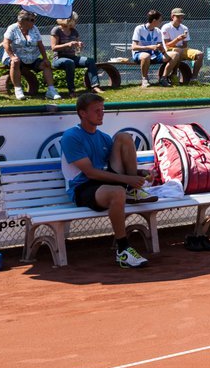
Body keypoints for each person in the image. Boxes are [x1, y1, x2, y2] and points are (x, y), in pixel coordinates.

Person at [60, 92, 161, 268]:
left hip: (104, 182)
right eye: (96, 110)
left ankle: (133, 191)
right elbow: (91, 173)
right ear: (83, 113)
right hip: (83, 188)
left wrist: (139, 173)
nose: (101, 114)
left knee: (124, 137)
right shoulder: (71, 136)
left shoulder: (104, 138)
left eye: (102, 110)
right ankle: (123, 250)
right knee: (117, 192)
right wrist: (128, 179)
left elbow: (112, 167)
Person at [2, 9, 61, 101]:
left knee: (46, 64)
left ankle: (51, 91)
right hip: (16, 57)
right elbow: (6, 43)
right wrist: (12, 57)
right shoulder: (12, 28)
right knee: (15, 63)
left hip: (32, 58)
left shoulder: (34, 28)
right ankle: (18, 90)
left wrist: (45, 58)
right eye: (32, 20)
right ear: (23, 21)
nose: (34, 22)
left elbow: (40, 45)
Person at [50, 12, 101, 94]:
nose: (76, 23)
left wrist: (79, 45)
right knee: (70, 62)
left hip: (72, 57)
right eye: (75, 21)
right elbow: (53, 48)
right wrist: (68, 44)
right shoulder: (56, 30)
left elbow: (77, 47)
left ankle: (95, 86)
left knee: (90, 61)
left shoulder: (74, 31)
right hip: (59, 59)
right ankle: (72, 90)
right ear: (69, 20)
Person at [161, 7, 203, 83]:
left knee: (200, 54)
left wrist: (180, 46)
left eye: (182, 17)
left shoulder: (184, 28)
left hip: (181, 49)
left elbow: (185, 45)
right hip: (169, 51)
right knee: (177, 51)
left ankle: (193, 79)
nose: (180, 19)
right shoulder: (166, 27)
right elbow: (167, 45)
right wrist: (178, 39)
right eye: (178, 17)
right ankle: (173, 74)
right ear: (172, 16)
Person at [131, 9, 169, 89]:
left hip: (154, 55)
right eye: (160, 20)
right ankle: (144, 80)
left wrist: (162, 50)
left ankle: (164, 78)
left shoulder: (158, 31)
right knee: (146, 56)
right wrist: (149, 47)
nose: (161, 22)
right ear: (154, 20)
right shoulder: (139, 29)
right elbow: (134, 47)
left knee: (174, 55)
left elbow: (159, 45)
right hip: (139, 54)